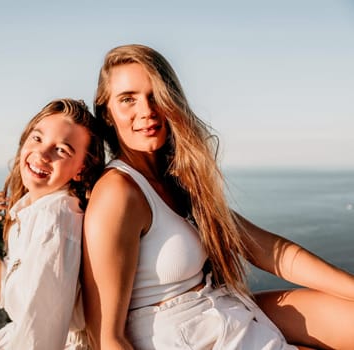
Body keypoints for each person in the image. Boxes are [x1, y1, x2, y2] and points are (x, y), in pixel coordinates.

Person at [81, 44, 354, 350]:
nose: (146, 110)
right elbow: (106, 338)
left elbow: (269, 251)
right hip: (189, 337)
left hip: (223, 315)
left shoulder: (176, 181)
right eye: (128, 99)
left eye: (155, 95)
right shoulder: (118, 192)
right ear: (106, 112)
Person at [0, 98, 104, 349]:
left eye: (61, 149)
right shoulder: (35, 209)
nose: (41, 154)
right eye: (37, 138)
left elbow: (40, 334)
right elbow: (16, 296)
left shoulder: (54, 221)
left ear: (81, 169)